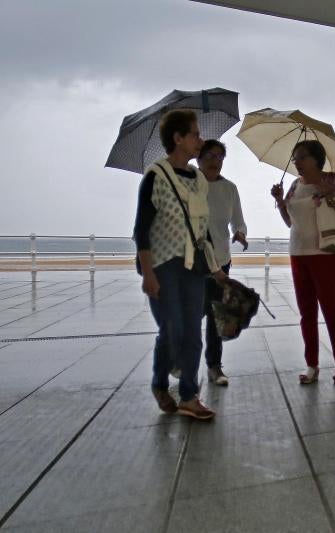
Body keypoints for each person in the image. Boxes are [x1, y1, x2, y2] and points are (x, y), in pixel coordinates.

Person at [133, 109, 227, 420]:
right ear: (178, 139)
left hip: (194, 268)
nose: (200, 139)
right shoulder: (155, 177)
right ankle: (160, 383)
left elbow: (202, 230)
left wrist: (215, 269)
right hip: (162, 264)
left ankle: (189, 395)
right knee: (171, 329)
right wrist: (148, 274)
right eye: (195, 134)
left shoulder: (199, 179)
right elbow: (141, 230)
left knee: (194, 334)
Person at [270, 140, 335, 384]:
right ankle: (312, 365)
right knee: (306, 313)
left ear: (316, 158)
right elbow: (290, 222)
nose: (296, 162)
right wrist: (280, 202)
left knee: (329, 309)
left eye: (301, 157)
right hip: (298, 254)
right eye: (294, 158)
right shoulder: (295, 185)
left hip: (324, 253)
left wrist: (332, 195)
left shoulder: (331, 180)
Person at [197, 139, 248, 386]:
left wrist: (240, 232)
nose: (214, 161)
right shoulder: (189, 185)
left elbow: (238, 220)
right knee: (191, 314)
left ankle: (214, 367)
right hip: (193, 261)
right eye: (209, 155)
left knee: (215, 314)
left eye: (219, 157)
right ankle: (181, 361)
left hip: (221, 260)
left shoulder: (230, 188)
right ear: (198, 157)